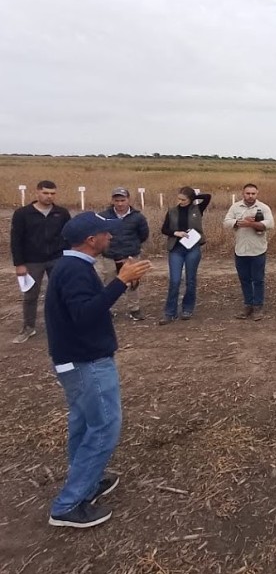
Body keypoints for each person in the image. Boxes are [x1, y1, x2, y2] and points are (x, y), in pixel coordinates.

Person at [45, 212, 152, 528]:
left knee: (84, 423)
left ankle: (88, 483)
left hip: (77, 359)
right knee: (104, 426)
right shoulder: (74, 271)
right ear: (91, 240)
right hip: (86, 363)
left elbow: (85, 309)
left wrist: (121, 282)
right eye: (106, 233)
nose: (111, 237)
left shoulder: (73, 266)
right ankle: (68, 504)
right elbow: (85, 315)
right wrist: (119, 282)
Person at [10, 180, 71, 343]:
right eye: (45, 193)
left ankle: (63, 325)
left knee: (61, 293)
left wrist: (67, 257)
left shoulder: (62, 213)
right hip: (32, 261)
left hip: (57, 259)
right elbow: (16, 240)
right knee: (30, 295)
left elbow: (68, 236)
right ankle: (28, 327)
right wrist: (19, 264)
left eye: (52, 193)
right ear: (37, 192)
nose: (49, 196)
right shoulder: (22, 214)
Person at [160, 187, 212, 324]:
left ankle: (187, 309)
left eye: (184, 199)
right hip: (176, 248)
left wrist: (194, 196)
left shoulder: (198, 209)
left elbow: (207, 197)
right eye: (179, 199)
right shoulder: (172, 211)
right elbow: (164, 229)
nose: (180, 201)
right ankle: (170, 312)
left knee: (190, 280)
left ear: (190, 199)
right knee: (175, 280)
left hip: (192, 248)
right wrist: (176, 233)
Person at [223, 183, 274, 321]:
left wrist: (251, 224)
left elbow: (270, 224)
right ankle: (248, 305)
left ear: (257, 194)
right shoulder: (235, 207)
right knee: (244, 279)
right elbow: (226, 222)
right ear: (243, 193)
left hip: (258, 250)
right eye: (248, 193)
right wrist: (240, 222)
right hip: (240, 250)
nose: (250, 196)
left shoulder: (263, 208)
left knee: (258, 280)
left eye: (253, 193)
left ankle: (258, 306)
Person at [97, 187, 149, 321]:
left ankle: (134, 309)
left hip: (130, 255)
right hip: (110, 255)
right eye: (117, 200)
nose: (120, 203)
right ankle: (107, 309)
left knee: (133, 282)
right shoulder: (103, 216)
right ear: (112, 201)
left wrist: (132, 247)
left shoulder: (138, 217)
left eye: (122, 200)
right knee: (109, 282)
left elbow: (143, 235)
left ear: (128, 200)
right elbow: (99, 234)